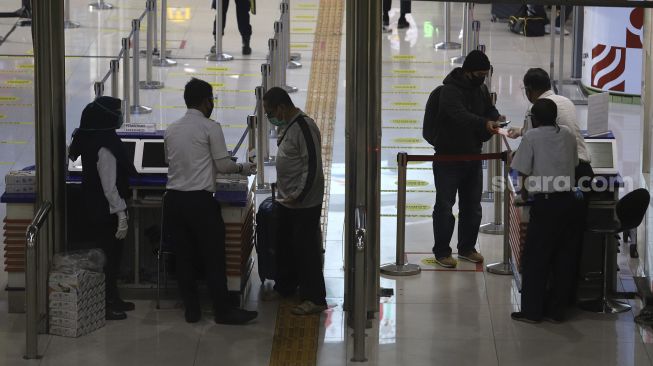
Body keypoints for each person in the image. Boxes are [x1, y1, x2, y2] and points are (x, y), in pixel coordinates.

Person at [163, 78, 258, 324]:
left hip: (173, 201)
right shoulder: (210, 127)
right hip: (200, 203)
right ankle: (223, 311)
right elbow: (223, 164)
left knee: (184, 258)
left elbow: (169, 161)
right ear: (207, 102)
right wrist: (243, 168)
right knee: (214, 257)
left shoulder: (171, 129)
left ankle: (192, 311)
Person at [425, 50, 504, 268]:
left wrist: (496, 117)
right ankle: (442, 251)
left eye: (485, 74)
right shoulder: (449, 91)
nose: (483, 78)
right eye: (479, 73)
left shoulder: (481, 89)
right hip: (448, 157)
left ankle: (467, 248)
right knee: (444, 205)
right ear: (468, 71)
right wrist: (483, 123)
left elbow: (489, 108)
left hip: (473, 155)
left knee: (472, 205)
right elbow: (459, 115)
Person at [509, 98, 582, 324]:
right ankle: (558, 310)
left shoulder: (531, 136)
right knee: (563, 257)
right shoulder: (568, 134)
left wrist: (522, 195)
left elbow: (521, 170)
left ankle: (532, 312)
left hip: (546, 204)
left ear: (535, 119)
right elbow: (575, 163)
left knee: (536, 258)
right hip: (569, 203)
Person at [68, 96, 136, 321]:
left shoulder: (89, 135)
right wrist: (121, 215)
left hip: (93, 205)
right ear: (108, 116)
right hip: (106, 210)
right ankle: (106, 304)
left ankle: (113, 298)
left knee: (109, 256)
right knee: (110, 258)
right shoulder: (106, 146)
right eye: (117, 112)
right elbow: (109, 186)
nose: (120, 116)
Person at [263, 87, 327, 315]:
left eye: (270, 111)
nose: (269, 116)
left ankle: (315, 297)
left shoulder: (304, 127)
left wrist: (297, 196)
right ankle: (286, 287)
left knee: (306, 249)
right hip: (287, 200)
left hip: (303, 203)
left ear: (281, 107)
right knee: (286, 245)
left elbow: (312, 168)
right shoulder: (288, 126)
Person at [508, 68, 593, 192]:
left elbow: (531, 144)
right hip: (584, 169)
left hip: (561, 176)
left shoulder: (535, 109)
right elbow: (554, 129)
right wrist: (521, 130)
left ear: (528, 90)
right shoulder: (566, 101)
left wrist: (514, 156)